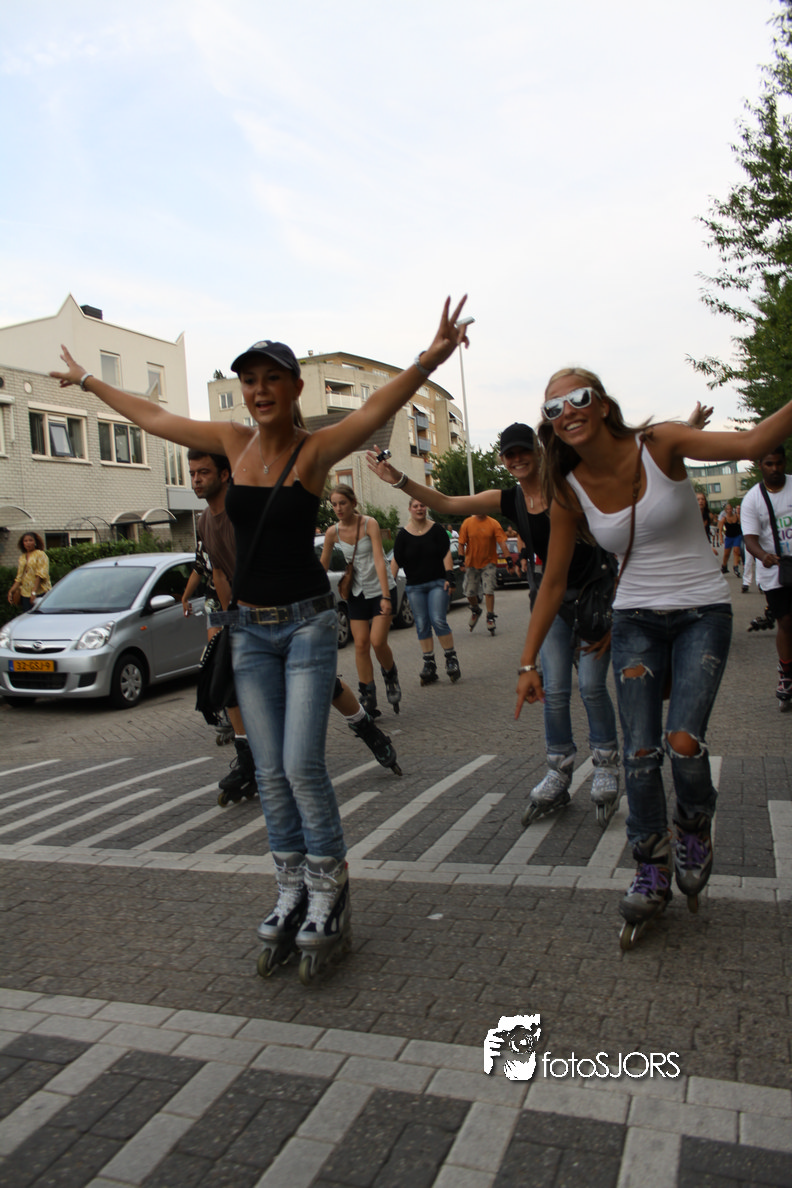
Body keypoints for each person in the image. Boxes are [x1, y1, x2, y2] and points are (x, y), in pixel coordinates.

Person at [51, 296, 470, 981]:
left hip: (306, 625)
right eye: (249, 380)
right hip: (247, 630)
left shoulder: (313, 450)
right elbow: (154, 418)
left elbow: (373, 408)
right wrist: (88, 382)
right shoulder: (229, 441)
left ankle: (329, 889)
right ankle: (291, 886)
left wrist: (431, 359)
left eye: (272, 378)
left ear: (294, 388)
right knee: (269, 770)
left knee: (301, 765)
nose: (259, 389)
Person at [514, 366, 792, 949]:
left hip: (701, 613)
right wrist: (527, 661)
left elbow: (752, 443)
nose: (567, 411)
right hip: (635, 620)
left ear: (602, 403)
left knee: (683, 740)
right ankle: (650, 863)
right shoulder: (568, 488)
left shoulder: (660, 442)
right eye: (553, 408)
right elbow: (553, 580)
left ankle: (693, 823)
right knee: (639, 752)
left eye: (577, 397)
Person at [368, 423, 622, 825]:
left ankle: (606, 764)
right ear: (503, 460)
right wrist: (399, 480)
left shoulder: (569, 488)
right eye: (510, 454)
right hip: (551, 602)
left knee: (591, 685)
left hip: (591, 597)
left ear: (538, 452)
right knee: (555, 689)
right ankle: (559, 769)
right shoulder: (510, 499)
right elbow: (446, 501)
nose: (517, 459)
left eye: (524, 451)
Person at [183, 453, 401, 793]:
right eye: (192, 473)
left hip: (286, 610)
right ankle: (247, 761)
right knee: (228, 682)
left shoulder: (247, 512)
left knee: (323, 684)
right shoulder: (204, 522)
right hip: (245, 614)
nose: (196, 479)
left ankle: (367, 728)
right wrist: (230, 619)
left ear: (224, 475)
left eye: (203, 472)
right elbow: (221, 573)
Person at [321, 484, 401, 716]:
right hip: (356, 593)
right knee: (360, 644)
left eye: (342, 503)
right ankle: (368, 695)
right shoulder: (332, 532)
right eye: (334, 504)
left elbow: (379, 560)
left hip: (381, 589)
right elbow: (322, 566)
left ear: (353, 503)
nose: (338, 508)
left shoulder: (369, 524)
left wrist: (385, 595)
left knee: (377, 641)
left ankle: (390, 675)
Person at [740, 445, 792, 708]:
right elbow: (750, 539)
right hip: (776, 569)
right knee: (786, 621)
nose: (775, 469)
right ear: (760, 465)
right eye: (769, 464)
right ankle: (786, 674)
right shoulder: (753, 499)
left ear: (785, 462)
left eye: (779, 463)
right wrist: (763, 556)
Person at [391, 497, 460, 685]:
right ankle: (429, 663)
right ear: (410, 509)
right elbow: (396, 560)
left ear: (426, 508)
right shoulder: (403, 535)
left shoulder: (437, 530)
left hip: (437, 583)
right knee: (421, 623)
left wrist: (450, 577)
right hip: (415, 587)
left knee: (438, 619)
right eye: (415, 506)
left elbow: (446, 554)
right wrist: (389, 586)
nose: (419, 508)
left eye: (422, 505)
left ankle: (451, 659)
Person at [457, 512, 511, 634]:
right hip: (471, 563)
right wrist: (461, 560)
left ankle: (490, 616)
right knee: (469, 592)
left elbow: (502, 543)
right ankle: (476, 609)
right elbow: (461, 543)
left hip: (489, 562)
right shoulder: (467, 523)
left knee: (488, 590)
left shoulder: (493, 523)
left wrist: (509, 560)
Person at [8, 532, 51, 612]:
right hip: (25, 593)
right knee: (28, 615)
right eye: (25, 541)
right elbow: (19, 577)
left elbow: (40, 575)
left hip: (40, 592)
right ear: (23, 543)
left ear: (35, 542)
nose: (28, 543)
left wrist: (33, 592)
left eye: (30, 540)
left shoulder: (40, 554)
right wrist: (11, 591)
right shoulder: (22, 557)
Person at [720, 503, 742, 577]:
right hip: (729, 537)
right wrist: (721, 539)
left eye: (730, 509)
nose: (729, 510)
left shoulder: (737, 516)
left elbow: (742, 524)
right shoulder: (724, 519)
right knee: (726, 554)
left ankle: (736, 567)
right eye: (728, 509)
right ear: (726, 510)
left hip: (737, 536)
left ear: (732, 509)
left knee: (736, 552)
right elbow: (720, 529)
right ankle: (724, 566)